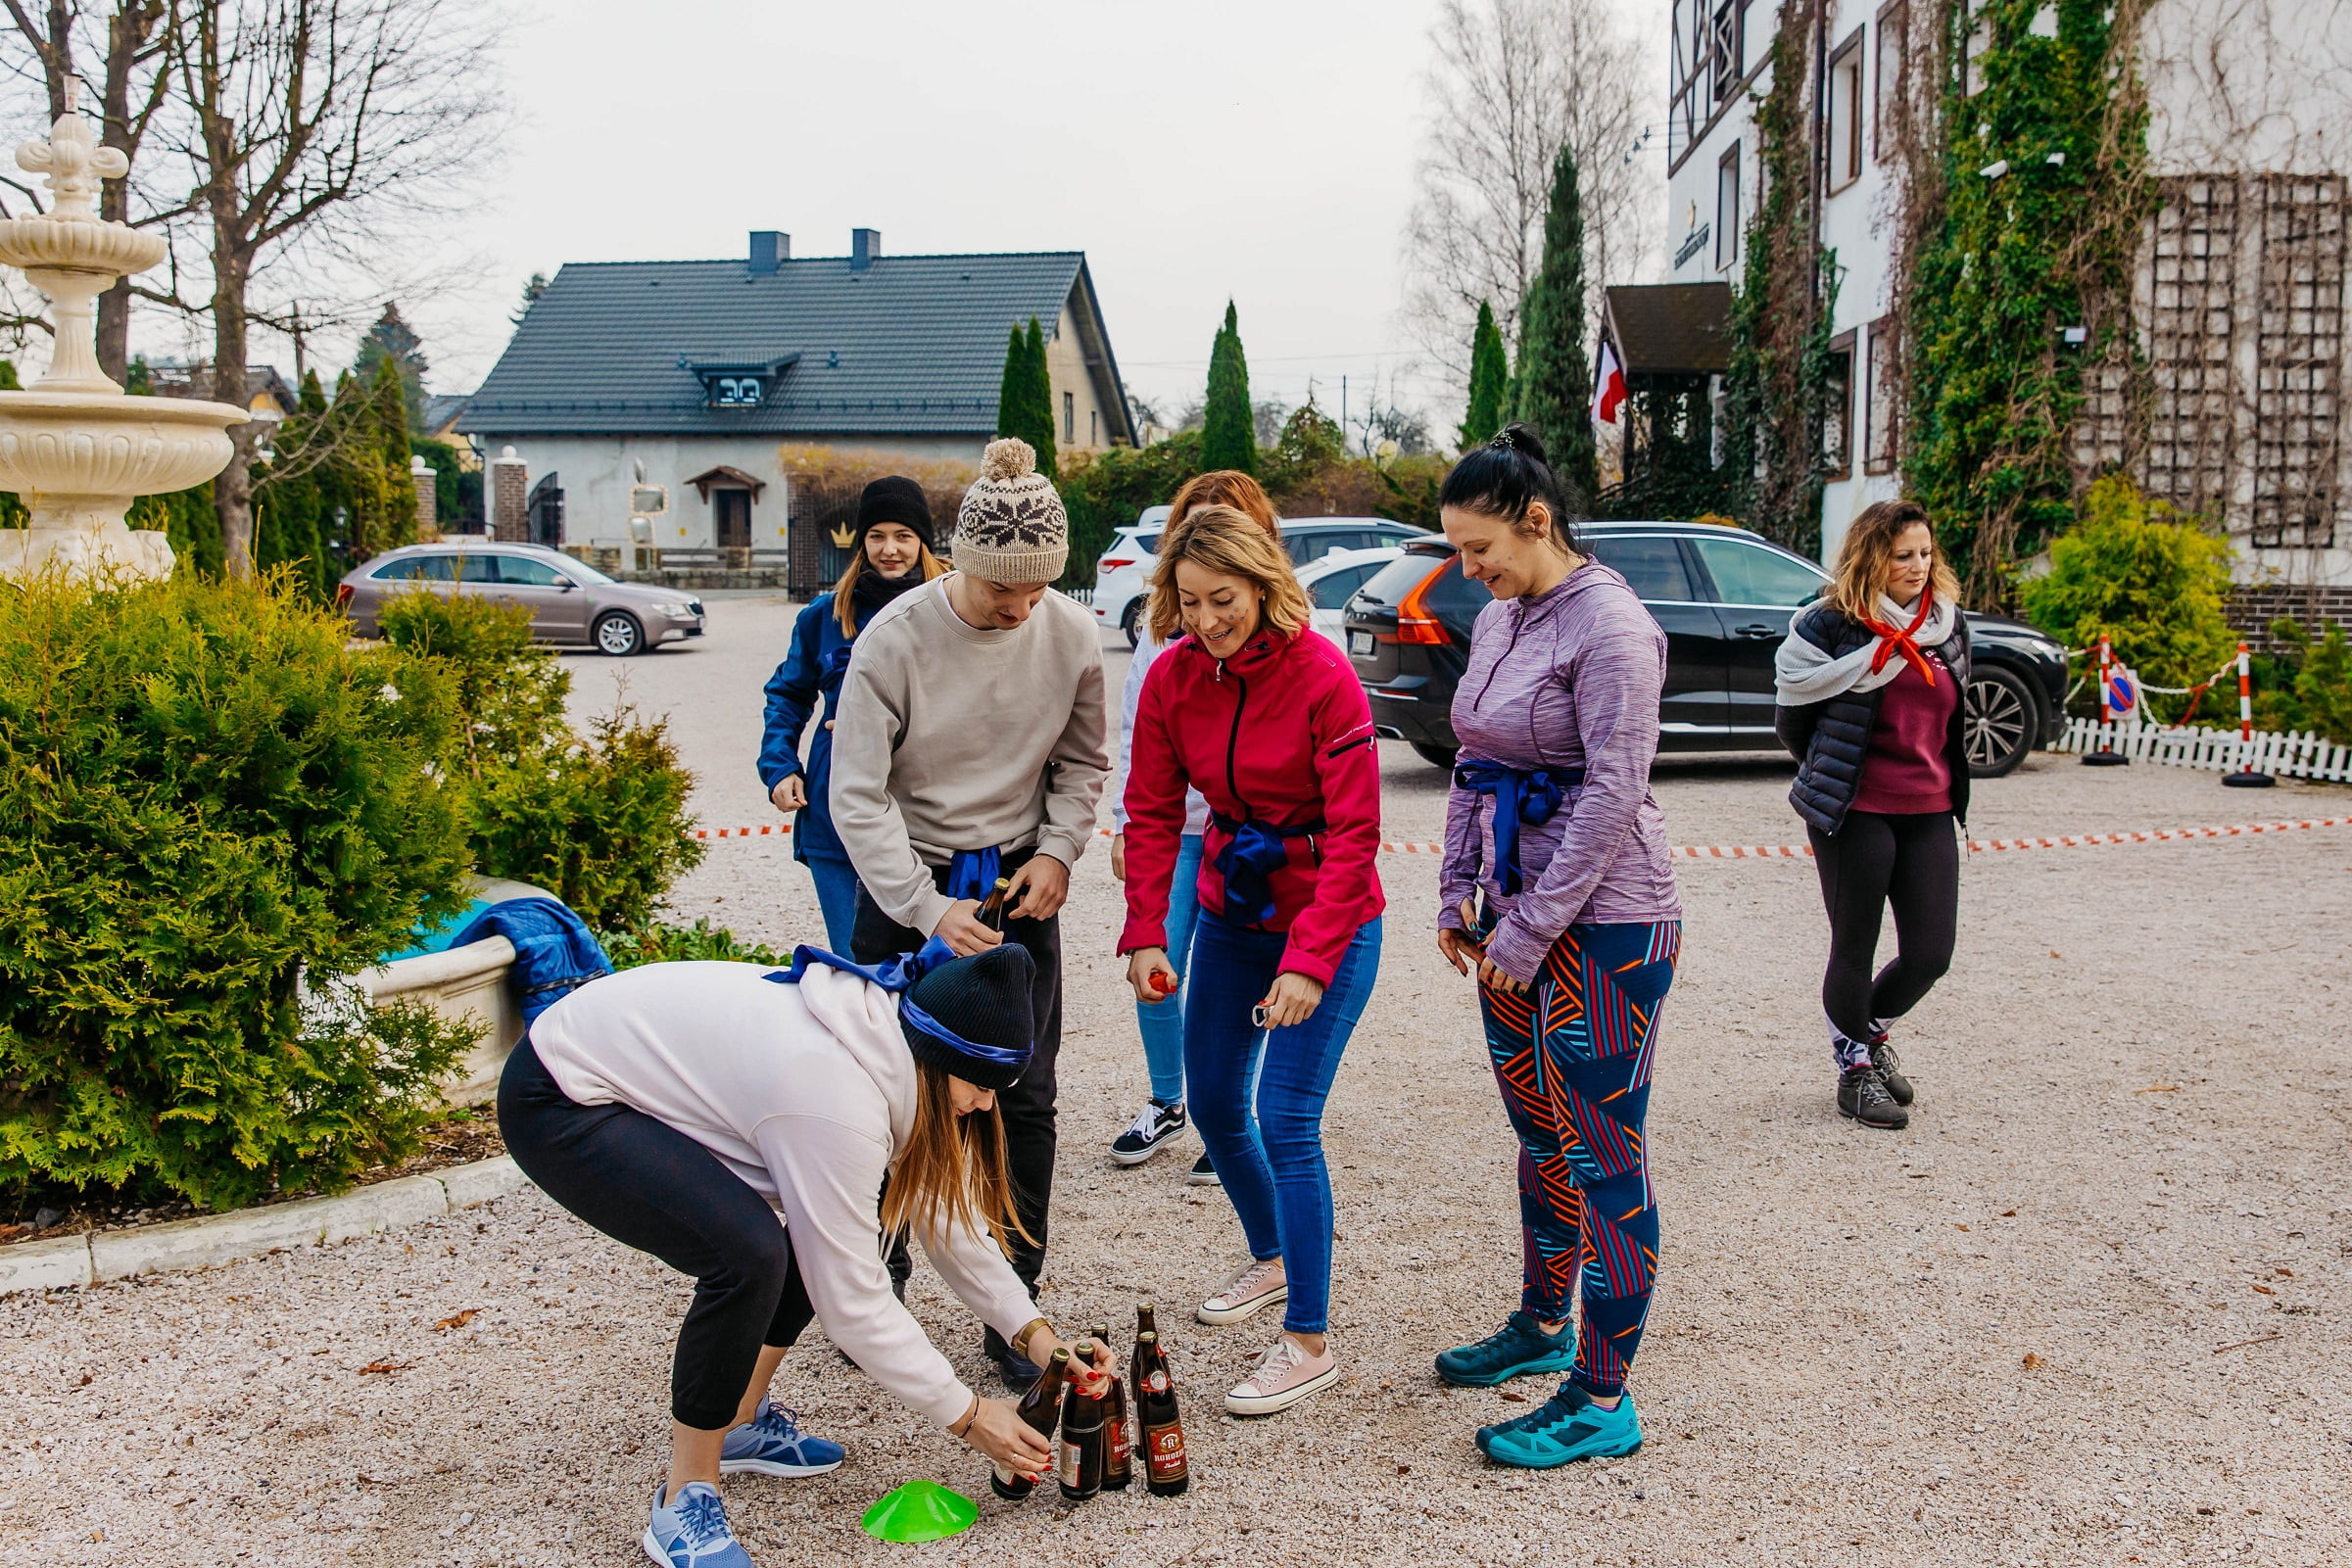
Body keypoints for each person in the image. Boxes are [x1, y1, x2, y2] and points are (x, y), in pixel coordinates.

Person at [499, 939, 1113, 1568]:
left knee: (803, 1242)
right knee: (746, 1255)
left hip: (625, 1065)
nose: (987, 1104)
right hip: (562, 1094)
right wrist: (969, 1414)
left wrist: (1036, 1337)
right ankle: (685, 1498)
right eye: (981, 1085)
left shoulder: (898, 1051)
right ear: (934, 1059)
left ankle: (738, 1420)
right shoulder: (836, 1100)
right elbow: (853, 1301)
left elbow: (946, 1220)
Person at [829, 437, 1109, 1390]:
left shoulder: (1069, 634)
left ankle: (1014, 1308)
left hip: (1018, 888)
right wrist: (921, 903)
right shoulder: (893, 639)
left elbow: (1080, 764)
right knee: (883, 1094)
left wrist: (1058, 851)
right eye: (1004, 590)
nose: (1021, 608)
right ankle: (872, 1288)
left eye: (1037, 591)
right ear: (968, 562)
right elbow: (855, 794)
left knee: (1024, 1097)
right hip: (909, 892)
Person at [1431, 425, 1683, 1469]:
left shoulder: (1613, 627)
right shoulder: (1498, 616)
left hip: (1605, 924)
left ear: (1536, 520)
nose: (1466, 569)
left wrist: (1531, 928)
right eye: (1454, 548)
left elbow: (1614, 792)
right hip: (1513, 914)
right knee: (1539, 1136)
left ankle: (1602, 1395)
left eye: (1478, 546)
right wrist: (1458, 892)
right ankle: (1540, 1323)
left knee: (1601, 1150)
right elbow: (1470, 759)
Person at [1120, 501, 1384, 1417]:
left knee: (1285, 1117)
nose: (1204, 621)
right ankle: (1270, 1254)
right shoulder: (1172, 679)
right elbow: (1151, 812)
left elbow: (1355, 837)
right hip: (1233, 906)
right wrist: (1145, 930)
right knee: (1213, 1102)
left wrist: (1310, 961)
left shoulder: (1324, 676)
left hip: (1328, 917)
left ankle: (1307, 1339)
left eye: (1221, 599)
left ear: (1264, 586)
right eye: (1188, 602)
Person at [1106, 470, 1285, 1182]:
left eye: (1226, 521)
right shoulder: (1162, 636)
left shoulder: (1281, 639)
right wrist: (1124, 822)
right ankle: (1167, 1098)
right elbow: (1132, 732)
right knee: (1155, 962)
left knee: (1242, 971)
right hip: (1175, 832)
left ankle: (1229, 1113)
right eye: (1197, 521)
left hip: (1246, 836)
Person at [1773, 498, 1970, 1132]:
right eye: (1901, 554)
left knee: (1930, 952)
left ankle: (1872, 1032)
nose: (1917, 566)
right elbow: (1792, 717)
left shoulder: (1944, 624)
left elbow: (1952, 718)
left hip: (1929, 807)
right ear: (1870, 555)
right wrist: (1834, 775)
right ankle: (1852, 1066)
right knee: (1853, 947)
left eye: (1923, 553)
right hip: (1855, 808)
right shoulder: (1828, 626)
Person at [758, 477, 948, 948]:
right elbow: (787, 695)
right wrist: (780, 767)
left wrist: (886, 728)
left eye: (903, 536)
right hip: (834, 807)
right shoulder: (823, 616)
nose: (890, 549)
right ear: (861, 543)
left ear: (922, 540)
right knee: (856, 964)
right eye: (877, 536)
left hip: (928, 809)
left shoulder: (952, 610)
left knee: (933, 968)